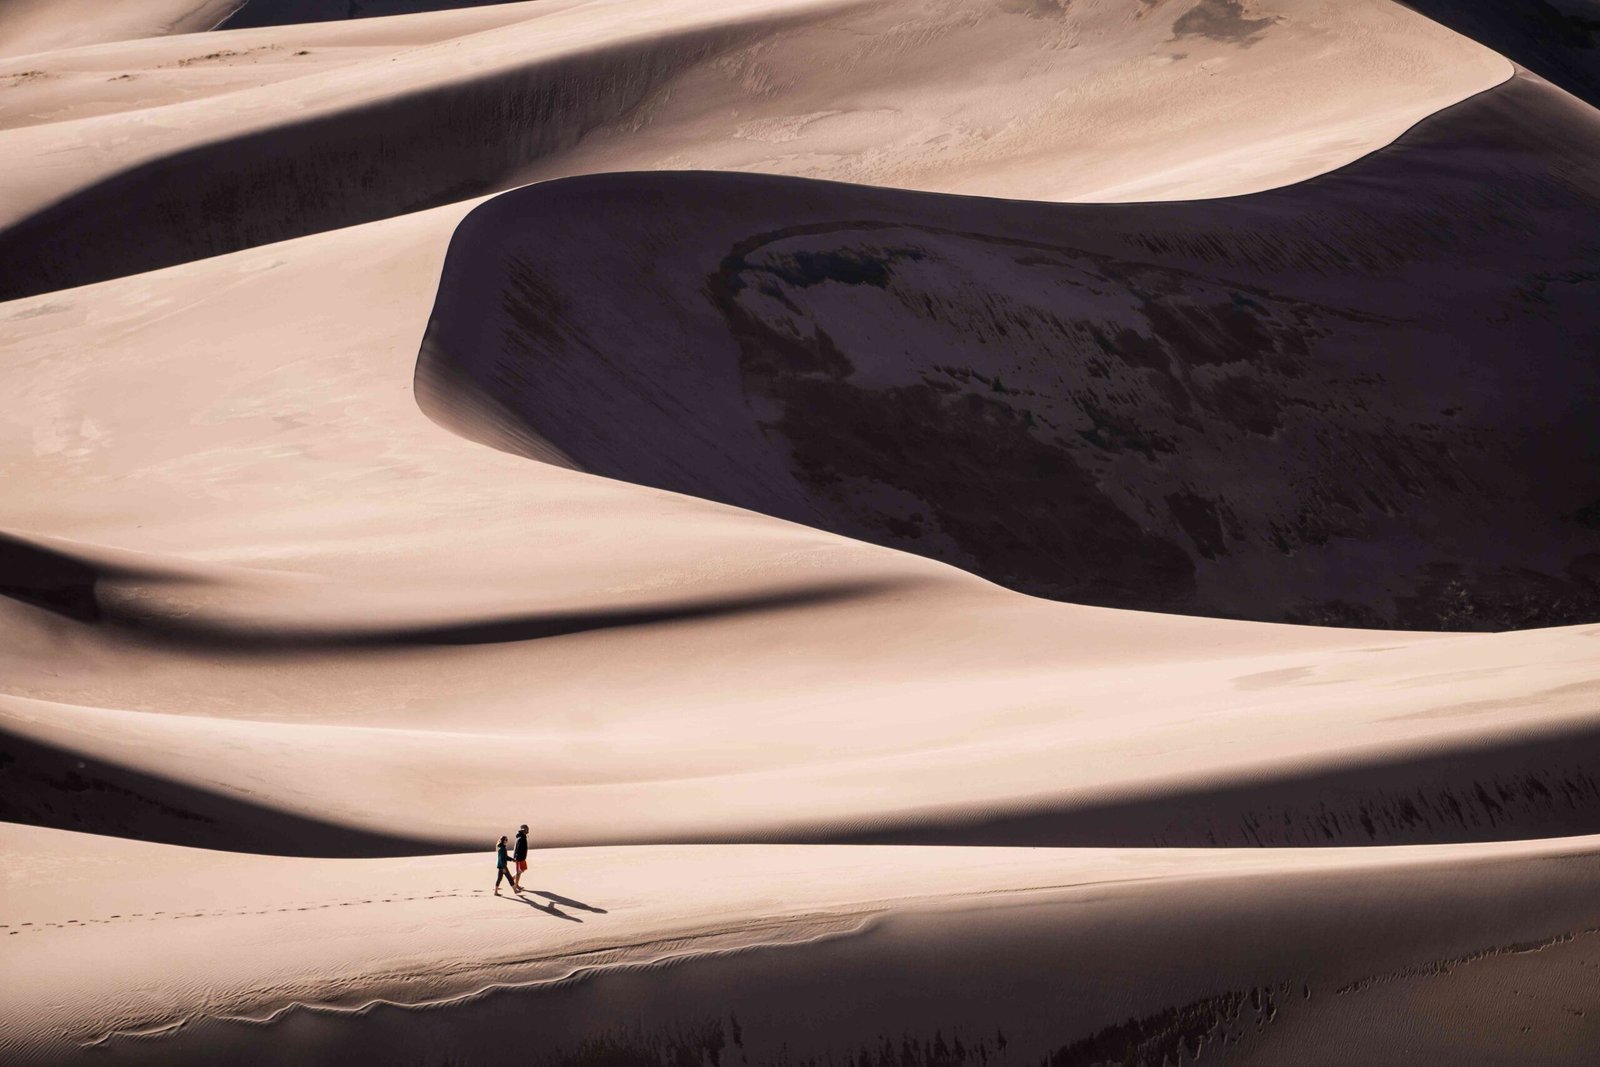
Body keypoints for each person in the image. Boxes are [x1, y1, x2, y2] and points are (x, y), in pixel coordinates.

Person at [512, 824, 529, 892]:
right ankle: (516, 885)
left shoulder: (523, 836)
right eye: (526, 829)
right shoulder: (521, 837)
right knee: (519, 872)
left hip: (522, 857)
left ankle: (512, 878)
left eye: (528, 828)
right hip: (519, 858)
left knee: (523, 869)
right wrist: (515, 857)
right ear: (523, 830)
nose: (528, 830)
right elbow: (516, 848)